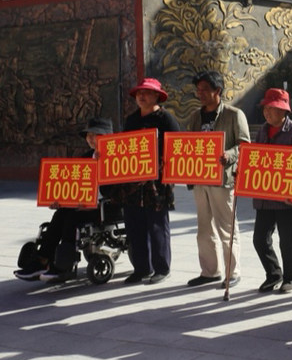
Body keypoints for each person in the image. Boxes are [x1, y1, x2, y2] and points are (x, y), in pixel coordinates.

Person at [14, 117, 115, 283]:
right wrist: (59, 200)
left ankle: (64, 266)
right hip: (81, 205)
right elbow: (72, 185)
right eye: (88, 135)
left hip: (104, 208)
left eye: (95, 135)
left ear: (106, 137)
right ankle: (42, 260)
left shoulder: (115, 159)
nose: (90, 139)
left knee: (71, 219)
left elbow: (115, 191)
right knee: (60, 214)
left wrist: (94, 202)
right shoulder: (84, 159)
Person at [185, 71, 250, 289]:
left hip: (223, 180)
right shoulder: (195, 117)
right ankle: (210, 271)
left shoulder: (234, 115)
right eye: (198, 90)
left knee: (227, 228)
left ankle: (233, 272)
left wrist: (229, 155)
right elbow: (186, 146)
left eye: (205, 89)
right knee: (204, 229)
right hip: (200, 180)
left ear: (218, 91)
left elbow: (244, 145)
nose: (200, 94)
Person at [119, 78, 180, 284]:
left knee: (156, 224)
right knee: (134, 224)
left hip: (157, 183)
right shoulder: (131, 120)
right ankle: (141, 268)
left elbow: (177, 147)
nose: (141, 96)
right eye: (139, 94)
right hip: (133, 183)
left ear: (156, 96)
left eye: (146, 93)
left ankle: (162, 267)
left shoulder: (166, 119)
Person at [252, 88, 292, 293]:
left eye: (272, 108)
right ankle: (273, 273)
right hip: (265, 197)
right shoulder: (261, 131)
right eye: (265, 108)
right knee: (259, 239)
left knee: (288, 241)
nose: (267, 112)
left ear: (284, 111)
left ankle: (291, 277)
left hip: (286, 199)